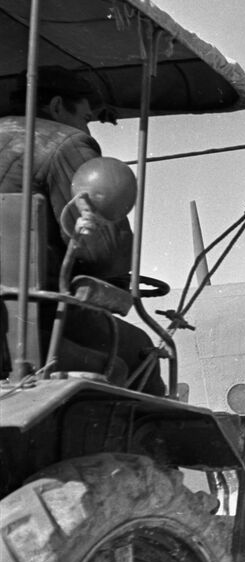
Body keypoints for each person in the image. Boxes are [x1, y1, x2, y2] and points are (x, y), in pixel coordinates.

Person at [0, 67, 163, 393]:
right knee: (138, 351)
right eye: (86, 117)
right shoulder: (66, 144)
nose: (86, 126)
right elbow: (104, 254)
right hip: (27, 323)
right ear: (58, 105)